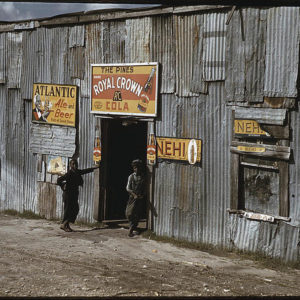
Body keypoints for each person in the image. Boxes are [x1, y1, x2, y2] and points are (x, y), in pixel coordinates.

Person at [57, 159, 99, 232]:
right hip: (68, 194)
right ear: (70, 165)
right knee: (69, 210)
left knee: (74, 209)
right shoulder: (69, 173)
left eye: (76, 164)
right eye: (73, 164)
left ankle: (66, 225)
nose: (75, 165)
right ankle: (64, 224)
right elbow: (59, 180)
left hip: (74, 194)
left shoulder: (77, 172)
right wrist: (63, 185)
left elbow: (85, 171)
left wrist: (94, 168)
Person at [125, 159, 146, 237]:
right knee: (129, 213)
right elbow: (127, 188)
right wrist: (134, 194)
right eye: (135, 168)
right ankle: (132, 227)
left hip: (139, 198)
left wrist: (142, 195)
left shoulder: (143, 177)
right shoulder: (131, 176)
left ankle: (131, 229)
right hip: (132, 197)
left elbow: (145, 188)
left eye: (138, 168)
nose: (136, 169)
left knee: (136, 214)